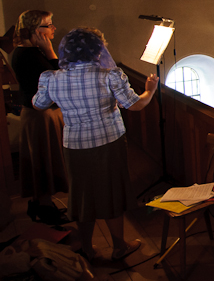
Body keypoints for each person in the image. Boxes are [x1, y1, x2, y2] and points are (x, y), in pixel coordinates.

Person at [33, 28, 157, 261]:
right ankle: (119, 246)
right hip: (108, 142)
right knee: (111, 192)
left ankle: (88, 248)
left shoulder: (51, 77)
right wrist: (149, 91)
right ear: (97, 50)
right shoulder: (109, 75)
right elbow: (134, 105)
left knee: (82, 194)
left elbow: (39, 104)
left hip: (74, 145)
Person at [10, 10, 69, 225]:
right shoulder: (27, 54)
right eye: (48, 24)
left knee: (46, 158)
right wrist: (51, 52)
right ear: (36, 30)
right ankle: (44, 206)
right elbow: (59, 80)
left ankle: (40, 202)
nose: (53, 28)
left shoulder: (31, 52)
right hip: (39, 116)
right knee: (44, 161)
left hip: (42, 114)